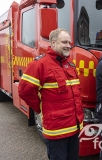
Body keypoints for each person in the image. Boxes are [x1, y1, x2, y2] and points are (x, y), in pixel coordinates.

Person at [18, 28, 83, 160]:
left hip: (75, 127)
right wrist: (41, 108)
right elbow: (25, 90)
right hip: (57, 130)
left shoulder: (70, 64)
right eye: (64, 42)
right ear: (53, 43)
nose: (68, 45)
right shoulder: (40, 64)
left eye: (69, 42)